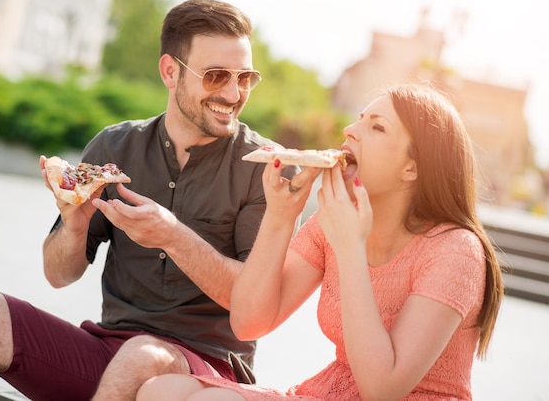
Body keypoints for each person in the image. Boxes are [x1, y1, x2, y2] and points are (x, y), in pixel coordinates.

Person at [0, 0, 298, 401]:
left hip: (207, 373)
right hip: (108, 354)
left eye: (245, 77)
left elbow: (252, 308)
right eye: (216, 76)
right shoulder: (114, 146)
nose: (232, 92)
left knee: (141, 355)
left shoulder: (268, 169)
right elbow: (58, 274)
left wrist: (174, 237)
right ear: (171, 72)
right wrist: (74, 225)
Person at [136, 82, 505, 401]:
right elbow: (249, 322)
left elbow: (383, 389)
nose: (350, 131)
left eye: (376, 127)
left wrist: (350, 248)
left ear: (413, 168)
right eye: (358, 119)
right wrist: (280, 217)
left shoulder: (455, 250)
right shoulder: (332, 224)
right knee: (160, 391)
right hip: (331, 390)